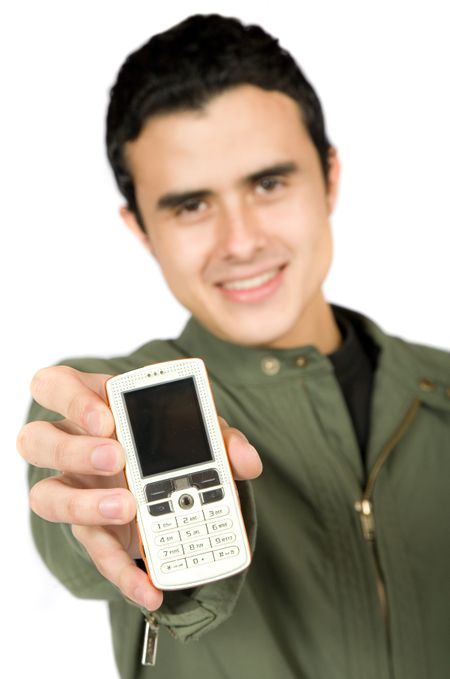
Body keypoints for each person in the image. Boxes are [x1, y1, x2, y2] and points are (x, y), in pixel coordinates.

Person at [17, 13, 450, 679]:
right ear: (140, 228)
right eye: (191, 205)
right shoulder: (103, 405)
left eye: (269, 183)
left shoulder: (441, 390)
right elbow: (72, 526)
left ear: (330, 177)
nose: (241, 241)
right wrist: (114, 517)